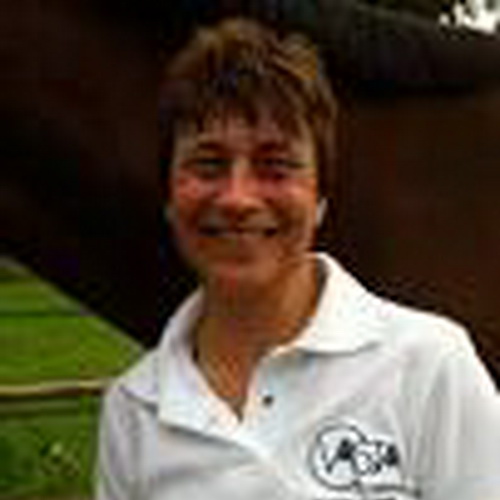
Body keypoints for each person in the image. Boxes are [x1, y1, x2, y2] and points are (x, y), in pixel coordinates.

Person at [96, 18, 500, 500]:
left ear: (320, 198)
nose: (238, 198)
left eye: (275, 166)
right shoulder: (134, 410)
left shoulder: (429, 365)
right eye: (208, 164)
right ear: (168, 197)